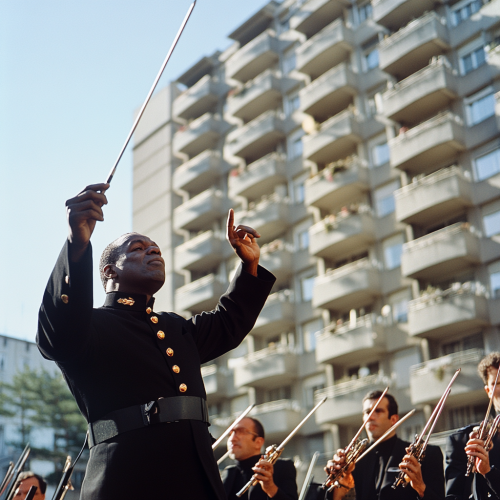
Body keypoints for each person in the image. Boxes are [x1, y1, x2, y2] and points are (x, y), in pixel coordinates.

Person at [37, 183, 276, 500]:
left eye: (156, 250)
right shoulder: (88, 325)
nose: (152, 251)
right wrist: (77, 245)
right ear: (110, 271)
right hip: (128, 476)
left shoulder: (174, 327)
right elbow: (56, 333)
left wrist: (249, 267)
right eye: (137, 249)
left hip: (197, 476)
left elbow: (229, 323)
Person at [325, 390, 444, 500]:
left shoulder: (427, 455)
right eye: (367, 412)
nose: (370, 417)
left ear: (393, 419)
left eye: (378, 411)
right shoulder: (354, 462)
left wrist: (420, 487)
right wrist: (340, 481)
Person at [445, 352, 500, 500]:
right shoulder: (461, 441)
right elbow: (454, 496)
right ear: (488, 391)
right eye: (497, 384)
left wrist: (489, 472)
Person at [221, 417, 298, 500]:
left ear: (258, 442)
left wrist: (270, 488)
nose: (232, 438)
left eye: (241, 432)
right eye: (230, 433)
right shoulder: (228, 473)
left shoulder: (282, 467)